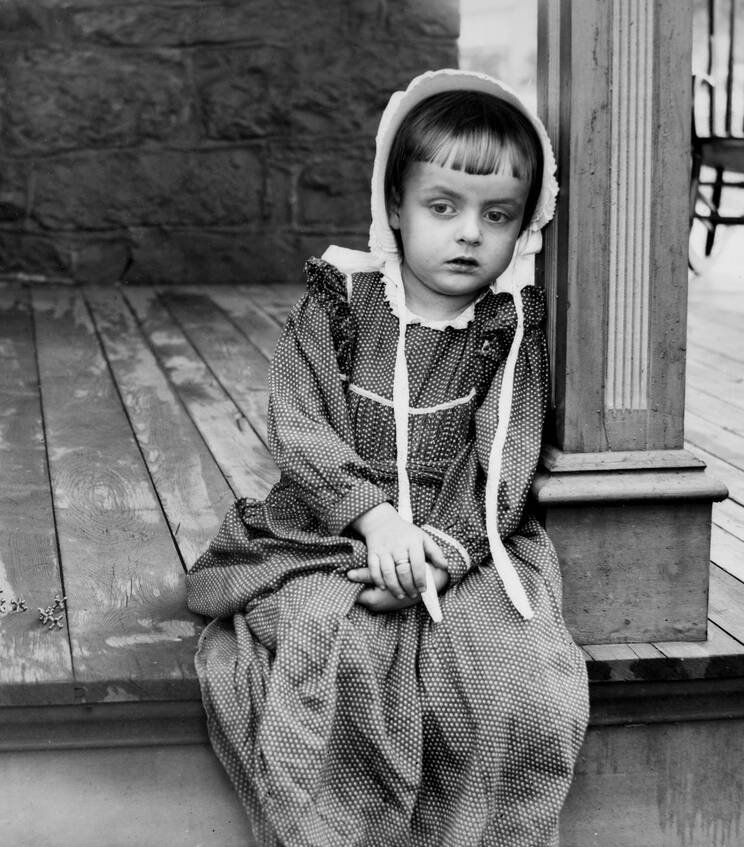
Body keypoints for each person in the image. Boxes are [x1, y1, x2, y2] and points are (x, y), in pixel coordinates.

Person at [187, 69, 589, 847]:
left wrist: (442, 550)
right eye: (444, 207)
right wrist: (374, 521)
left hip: (458, 542)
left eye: (497, 214)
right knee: (333, 655)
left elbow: (503, 458)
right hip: (333, 529)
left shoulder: (507, 331)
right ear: (397, 207)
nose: (470, 232)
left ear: (524, 226)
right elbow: (300, 426)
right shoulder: (340, 304)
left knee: (517, 688)